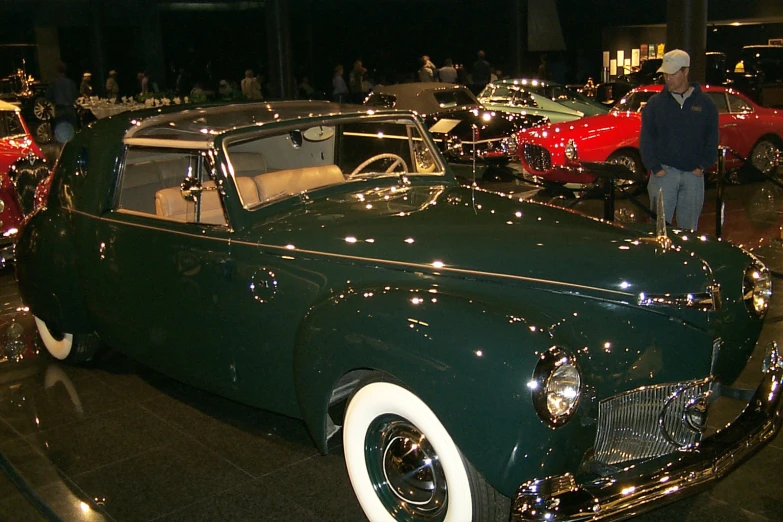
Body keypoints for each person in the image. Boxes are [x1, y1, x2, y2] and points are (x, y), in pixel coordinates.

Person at [640, 49, 719, 231]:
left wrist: (702, 165)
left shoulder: (706, 104)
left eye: (673, 73)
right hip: (663, 174)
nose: (668, 78)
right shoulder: (655, 104)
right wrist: (655, 167)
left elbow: (712, 137)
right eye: (665, 74)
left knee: (689, 231)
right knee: (658, 229)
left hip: (693, 176)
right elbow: (646, 138)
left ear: (685, 71)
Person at [45, 62, 78, 144]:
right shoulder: (71, 82)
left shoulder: (54, 83)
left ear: (57, 71)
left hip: (59, 109)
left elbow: (48, 96)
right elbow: (75, 95)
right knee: (72, 133)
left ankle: (63, 151)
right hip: (70, 109)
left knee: (61, 134)